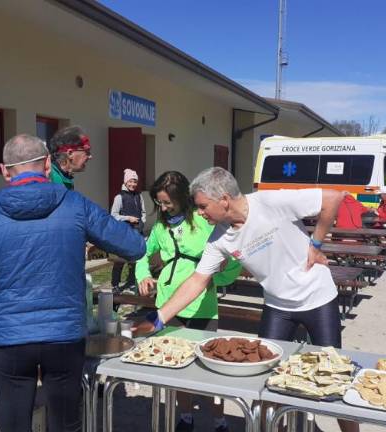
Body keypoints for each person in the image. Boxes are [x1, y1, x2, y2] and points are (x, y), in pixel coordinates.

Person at [136, 167, 359, 432]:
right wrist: (159, 318)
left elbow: (332, 198)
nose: (199, 213)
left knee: (335, 377)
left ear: (224, 200)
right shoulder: (218, 238)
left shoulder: (268, 202)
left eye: (203, 206)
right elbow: (197, 281)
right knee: (265, 381)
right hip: (278, 307)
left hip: (318, 299)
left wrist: (317, 244)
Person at [0, 134, 145, 432]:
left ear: (4, 170)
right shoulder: (75, 205)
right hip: (63, 336)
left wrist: (3, 301)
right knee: (66, 424)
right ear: (45, 165)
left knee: (14, 426)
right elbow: (134, 247)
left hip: (10, 337)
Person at [135, 171, 241, 432]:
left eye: (168, 202)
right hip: (169, 303)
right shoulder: (160, 227)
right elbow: (141, 254)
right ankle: (185, 417)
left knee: (210, 367)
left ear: (183, 197)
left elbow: (233, 263)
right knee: (175, 365)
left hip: (203, 304)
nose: (163, 207)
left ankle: (219, 421)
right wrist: (144, 274)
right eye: (159, 202)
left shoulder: (206, 222)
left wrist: (225, 270)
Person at [110, 168, 146, 293]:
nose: (133, 184)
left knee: (133, 260)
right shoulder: (119, 197)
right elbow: (113, 215)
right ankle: (115, 284)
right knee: (120, 260)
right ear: (125, 182)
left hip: (136, 232)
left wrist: (142, 222)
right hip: (123, 234)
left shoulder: (139, 196)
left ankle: (131, 282)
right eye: (130, 181)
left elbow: (143, 212)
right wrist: (128, 218)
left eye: (135, 182)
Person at [47, 125, 92, 190]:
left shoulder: (64, 177)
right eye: (87, 152)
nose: (90, 156)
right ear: (70, 153)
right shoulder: (50, 177)